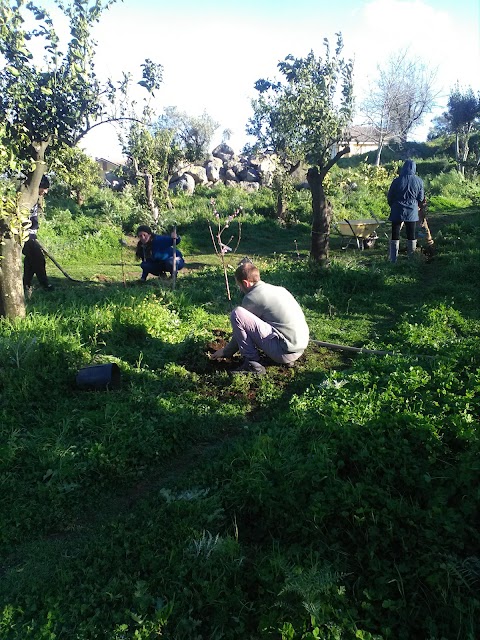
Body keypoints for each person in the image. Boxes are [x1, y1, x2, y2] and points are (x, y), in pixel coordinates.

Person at [211, 261, 310, 374]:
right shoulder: (279, 290)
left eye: (239, 285)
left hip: (283, 353)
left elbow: (241, 329)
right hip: (299, 348)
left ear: (245, 283)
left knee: (237, 314)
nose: (240, 289)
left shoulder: (253, 298)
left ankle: (252, 364)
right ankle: (285, 358)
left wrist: (225, 352)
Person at [387, 159, 425, 263]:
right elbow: (421, 198)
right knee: (411, 234)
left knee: (395, 234)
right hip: (412, 211)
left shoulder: (396, 181)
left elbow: (390, 197)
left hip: (397, 209)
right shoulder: (419, 181)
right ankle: (411, 259)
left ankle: (393, 259)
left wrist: (393, 205)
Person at [22, 174, 53, 294]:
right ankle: (45, 284)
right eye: (44, 188)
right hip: (25, 235)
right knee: (39, 259)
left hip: (31, 235)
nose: (45, 191)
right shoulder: (26, 199)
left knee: (31, 260)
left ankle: (26, 284)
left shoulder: (35, 198)